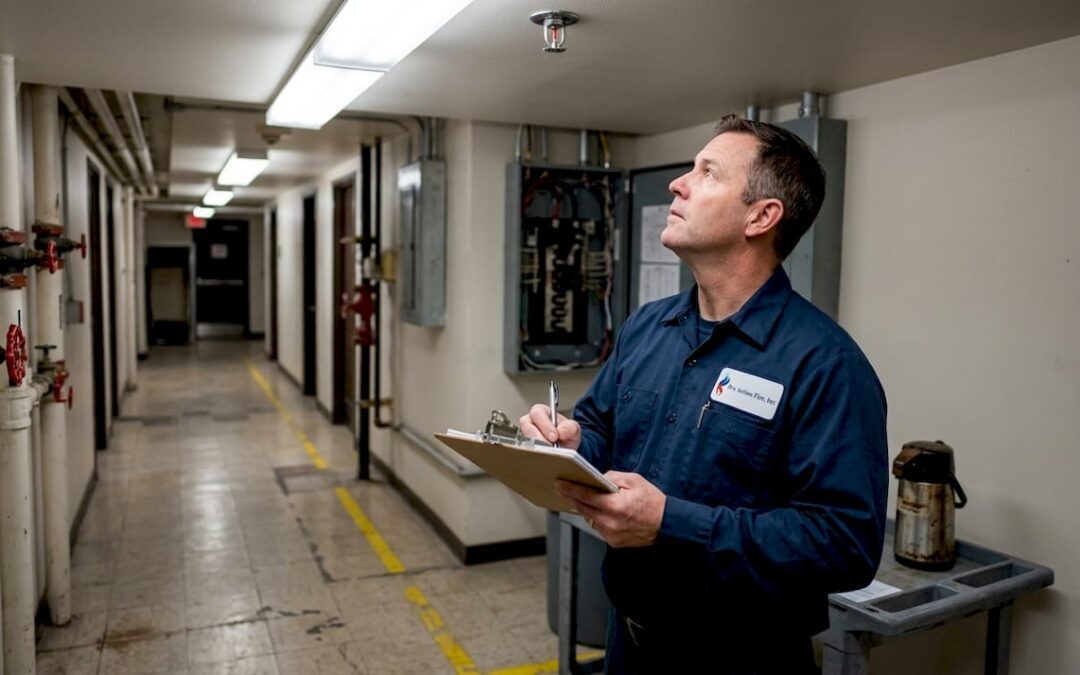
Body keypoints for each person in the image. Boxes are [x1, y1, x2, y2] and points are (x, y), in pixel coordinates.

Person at [520, 114, 888, 674]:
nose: (678, 183)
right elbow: (599, 430)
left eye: (707, 172)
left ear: (762, 216)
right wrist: (570, 439)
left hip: (740, 658)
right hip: (628, 643)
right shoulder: (647, 327)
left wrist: (671, 521)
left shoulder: (825, 363)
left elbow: (843, 544)